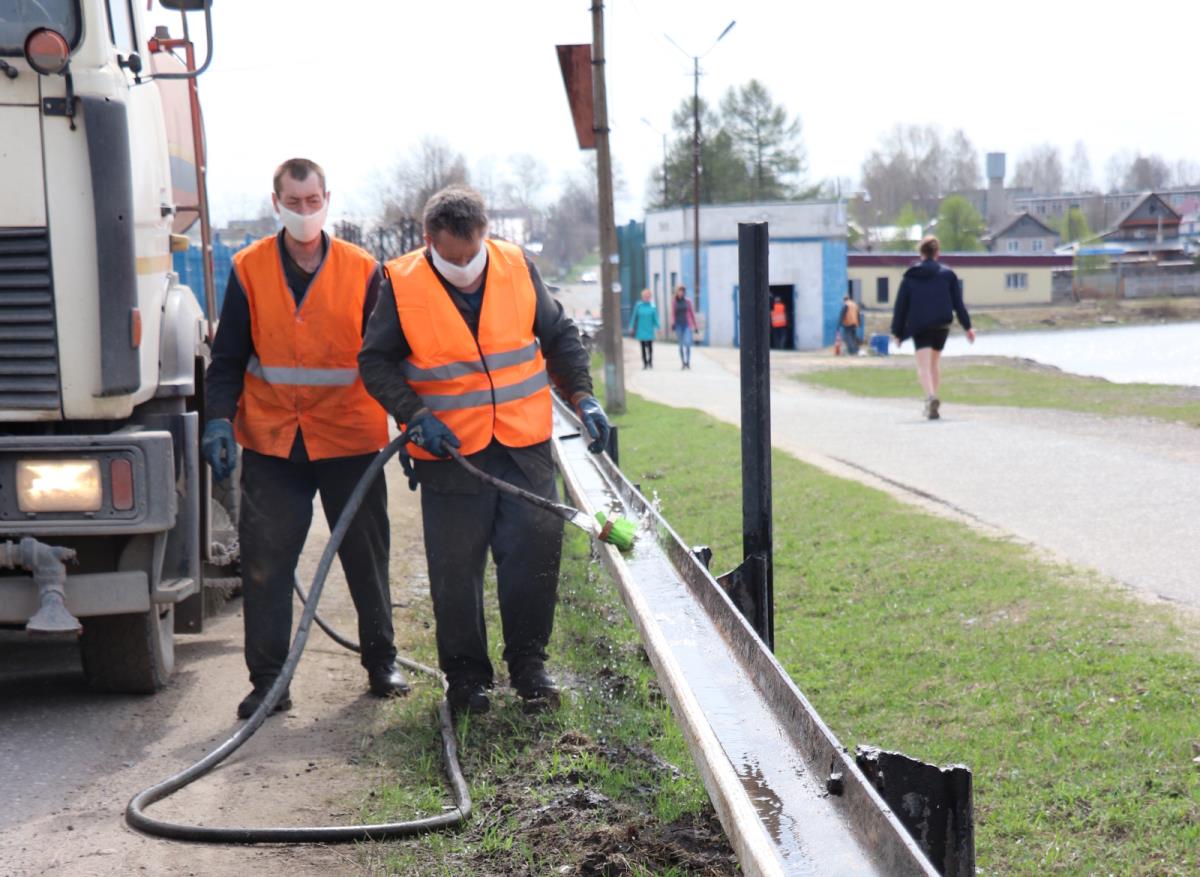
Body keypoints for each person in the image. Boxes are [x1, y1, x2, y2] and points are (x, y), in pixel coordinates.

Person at [358, 185, 609, 717]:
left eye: (474, 254)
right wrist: (415, 416)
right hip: (451, 455)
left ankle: (529, 668)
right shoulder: (400, 283)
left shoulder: (517, 266)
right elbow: (375, 363)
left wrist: (583, 397)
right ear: (430, 241)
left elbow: (559, 334)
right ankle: (467, 680)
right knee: (455, 570)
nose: (466, 266)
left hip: (524, 446)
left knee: (534, 557)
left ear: (486, 233)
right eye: (453, 258)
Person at [200, 158, 406, 720]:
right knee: (265, 564)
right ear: (277, 203)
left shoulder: (364, 270)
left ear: (327, 199)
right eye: (294, 203)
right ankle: (270, 683)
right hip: (274, 442)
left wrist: (409, 424)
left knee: (366, 555)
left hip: (349, 437)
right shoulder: (248, 269)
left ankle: (381, 661)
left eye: (313, 201)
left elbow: (389, 358)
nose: (305, 212)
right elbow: (227, 360)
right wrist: (218, 419)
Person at [890, 235, 975, 419]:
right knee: (934, 364)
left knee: (923, 366)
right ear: (937, 253)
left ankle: (930, 398)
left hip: (920, 325)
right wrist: (968, 327)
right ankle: (932, 401)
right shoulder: (948, 275)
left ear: (921, 253)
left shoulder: (910, 276)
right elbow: (958, 304)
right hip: (942, 324)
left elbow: (901, 306)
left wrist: (897, 331)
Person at [629, 288, 659, 368]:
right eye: (645, 296)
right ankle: (645, 363)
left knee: (650, 346)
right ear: (642, 297)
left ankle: (650, 361)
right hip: (641, 329)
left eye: (648, 296)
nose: (646, 298)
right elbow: (634, 317)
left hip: (649, 329)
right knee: (642, 347)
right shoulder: (638, 305)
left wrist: (658, 326)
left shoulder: (652, 306)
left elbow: (655, 317)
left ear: (650, 297)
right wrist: (631, 326)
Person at [671, 284, 697, 369]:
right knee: (681, 345)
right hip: (678, 325)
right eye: (679, 291)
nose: (681, 293)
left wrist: (695, 326)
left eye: (682, 291)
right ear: (677, 292)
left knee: (688, 343)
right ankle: (683, 362)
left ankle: (688, 362)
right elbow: (673, 314)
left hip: (687, 325)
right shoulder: (674, 302)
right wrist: (673, 324)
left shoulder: (687, 301)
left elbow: (692, 314)